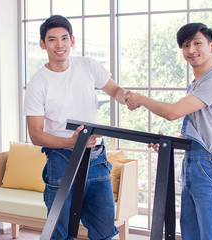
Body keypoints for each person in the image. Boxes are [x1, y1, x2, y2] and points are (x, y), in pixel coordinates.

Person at [24, 15, 132, 240]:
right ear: (43, 44)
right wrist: (70, 142)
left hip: (96, 159)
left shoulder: (88, 65)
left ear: (72, 40)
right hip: (61, 160)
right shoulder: (38, 83)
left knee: (104, 232)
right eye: (52, 40)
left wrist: (129, 98)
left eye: (64, 38)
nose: (59, 45)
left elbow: (115, 91)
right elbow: (35, 134)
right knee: (60, 232)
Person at [127, 23, 212, 240]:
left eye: (197, 43)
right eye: (186, 45)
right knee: (190, 233)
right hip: (194, 164)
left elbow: (173, 112)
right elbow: (197, 132)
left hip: (211, 167)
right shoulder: (197, 84)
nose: (191, 50)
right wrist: (170, 141)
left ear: (211, 46)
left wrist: (140, 99)